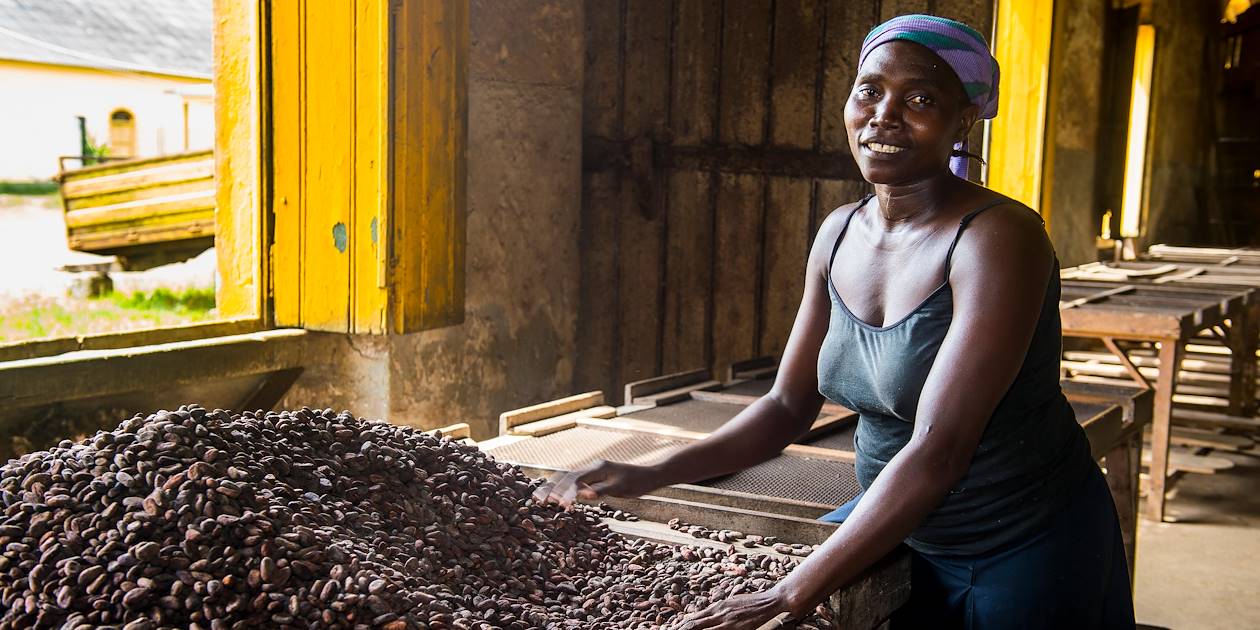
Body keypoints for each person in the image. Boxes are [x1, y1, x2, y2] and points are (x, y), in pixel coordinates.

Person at [535, 14, 1135, 630]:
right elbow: (786, 407)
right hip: (898, 523)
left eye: (921, 99)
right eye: (869, 91)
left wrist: (791, 593)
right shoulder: (840, 232)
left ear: (964, 121)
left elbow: (940, 448)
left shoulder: (998, 239)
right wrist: (646, 471)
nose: (884, 114)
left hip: (1018, 541)